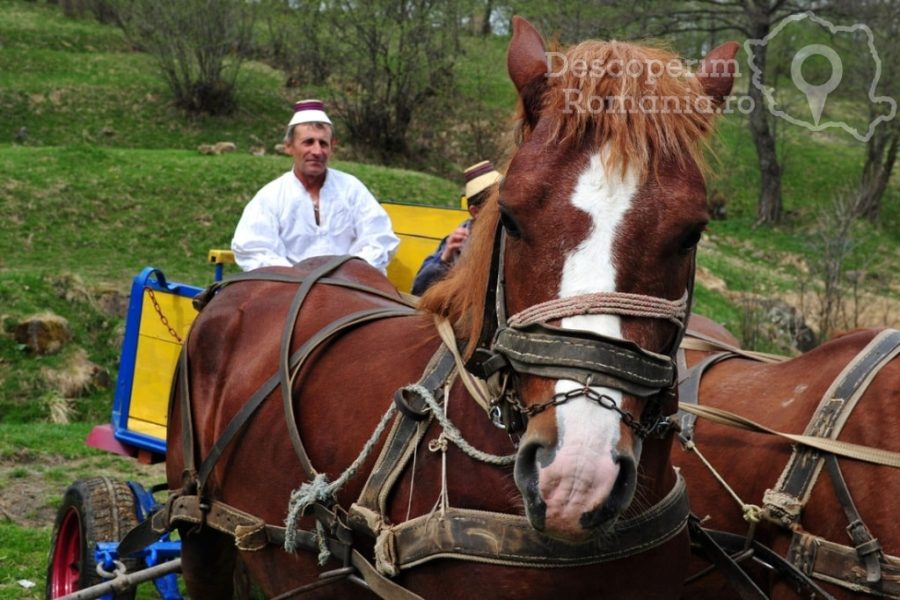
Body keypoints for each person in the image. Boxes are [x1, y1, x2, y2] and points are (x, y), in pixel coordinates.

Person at [231, 99, 399, 273]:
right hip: (290, 290)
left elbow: (379, 238)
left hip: (348, 288)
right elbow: (253, 247)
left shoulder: (351, 189)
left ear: (332, 147)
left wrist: (347, 273)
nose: (317, 151)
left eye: (323, 143)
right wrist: (297, 277)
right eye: (308, 142)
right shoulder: (271, 196)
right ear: (289, 147)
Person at [411, 160, 501, 295]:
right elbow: (418, 289)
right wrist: (445, 257)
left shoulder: (513, 231)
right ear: (475, 211)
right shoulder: (460, 239)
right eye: (495, 204)